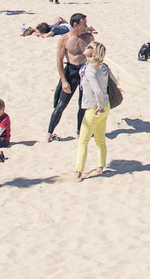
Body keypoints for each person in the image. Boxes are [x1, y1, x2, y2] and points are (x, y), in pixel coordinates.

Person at [48, 13, 94, 141]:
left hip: (85, 71)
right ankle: (49, 134)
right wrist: (63, 80)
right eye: (83, 24)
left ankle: (80, 131)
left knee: (83, 104)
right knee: (61, 104)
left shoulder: (89, 37)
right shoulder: (65, 39)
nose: (86, 25)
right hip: (71, 72)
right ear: (75, 25)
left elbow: (95, 55)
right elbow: (59, 60)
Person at [75, 41, 113, 181]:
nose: (86, 48)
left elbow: (97, 90)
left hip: (94, 108)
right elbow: (114, 81)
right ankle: (100, 167)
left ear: (95, 53)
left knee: (83, 141)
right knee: (100, 139)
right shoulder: (104, 67)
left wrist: (99, 104)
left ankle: (78, 173)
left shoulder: (90, 69)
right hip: (105, 106)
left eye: (89, 47)